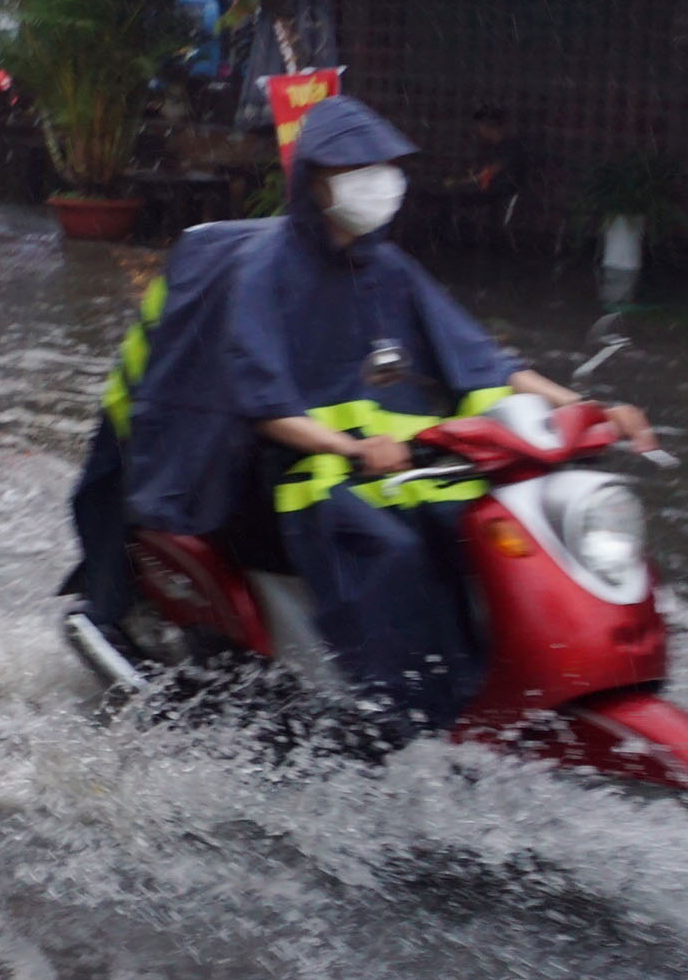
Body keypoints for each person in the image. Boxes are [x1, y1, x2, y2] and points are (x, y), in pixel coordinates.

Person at [69, 97, 656, 749]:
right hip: (305, 475)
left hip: (403, 470)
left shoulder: (390, 269)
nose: (378, 182)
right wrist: (351, 447)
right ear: (315, 181)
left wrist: (581, 408)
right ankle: (392, 723)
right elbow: (264, 403)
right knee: (393, 555)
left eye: (385, 167)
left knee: (470, 534)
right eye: (357, 168)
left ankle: (481, 705)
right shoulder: (266, 272)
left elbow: (482, 362)